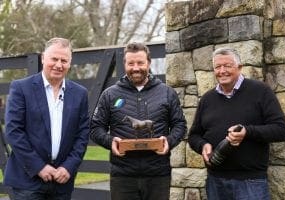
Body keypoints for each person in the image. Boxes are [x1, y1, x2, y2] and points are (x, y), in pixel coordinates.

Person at [188, 48, 285, 200]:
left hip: (251, 182)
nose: (222, 71)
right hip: (216, 181)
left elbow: (281, 130)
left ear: (240, 67)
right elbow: (194, 135)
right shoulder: (207, 99)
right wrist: (203, 145)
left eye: (227, 65)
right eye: (217, 67)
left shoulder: (260, 91)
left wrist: (247, 132)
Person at [90, 42, 187, 200]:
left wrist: (169, 141)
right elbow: (95, 128)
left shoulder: (167, 93)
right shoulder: (110, 95)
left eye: (140, 63)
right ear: (125, 64)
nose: (136, 68)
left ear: (148, 62)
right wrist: (110, 141)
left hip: (158, 176)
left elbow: (180, 125)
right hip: (122, 176)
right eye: (131, 63)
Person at [4, 37, 90, 200]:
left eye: (64, 60)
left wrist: (69, 167)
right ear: (43, 58)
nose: (59, 65)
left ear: (70, 63)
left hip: (62, 181)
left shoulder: (80, 94)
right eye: (54, 59)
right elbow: (13, 132)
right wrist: (39, 167)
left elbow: (82, 134)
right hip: (27, 181)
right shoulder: (21, 88)